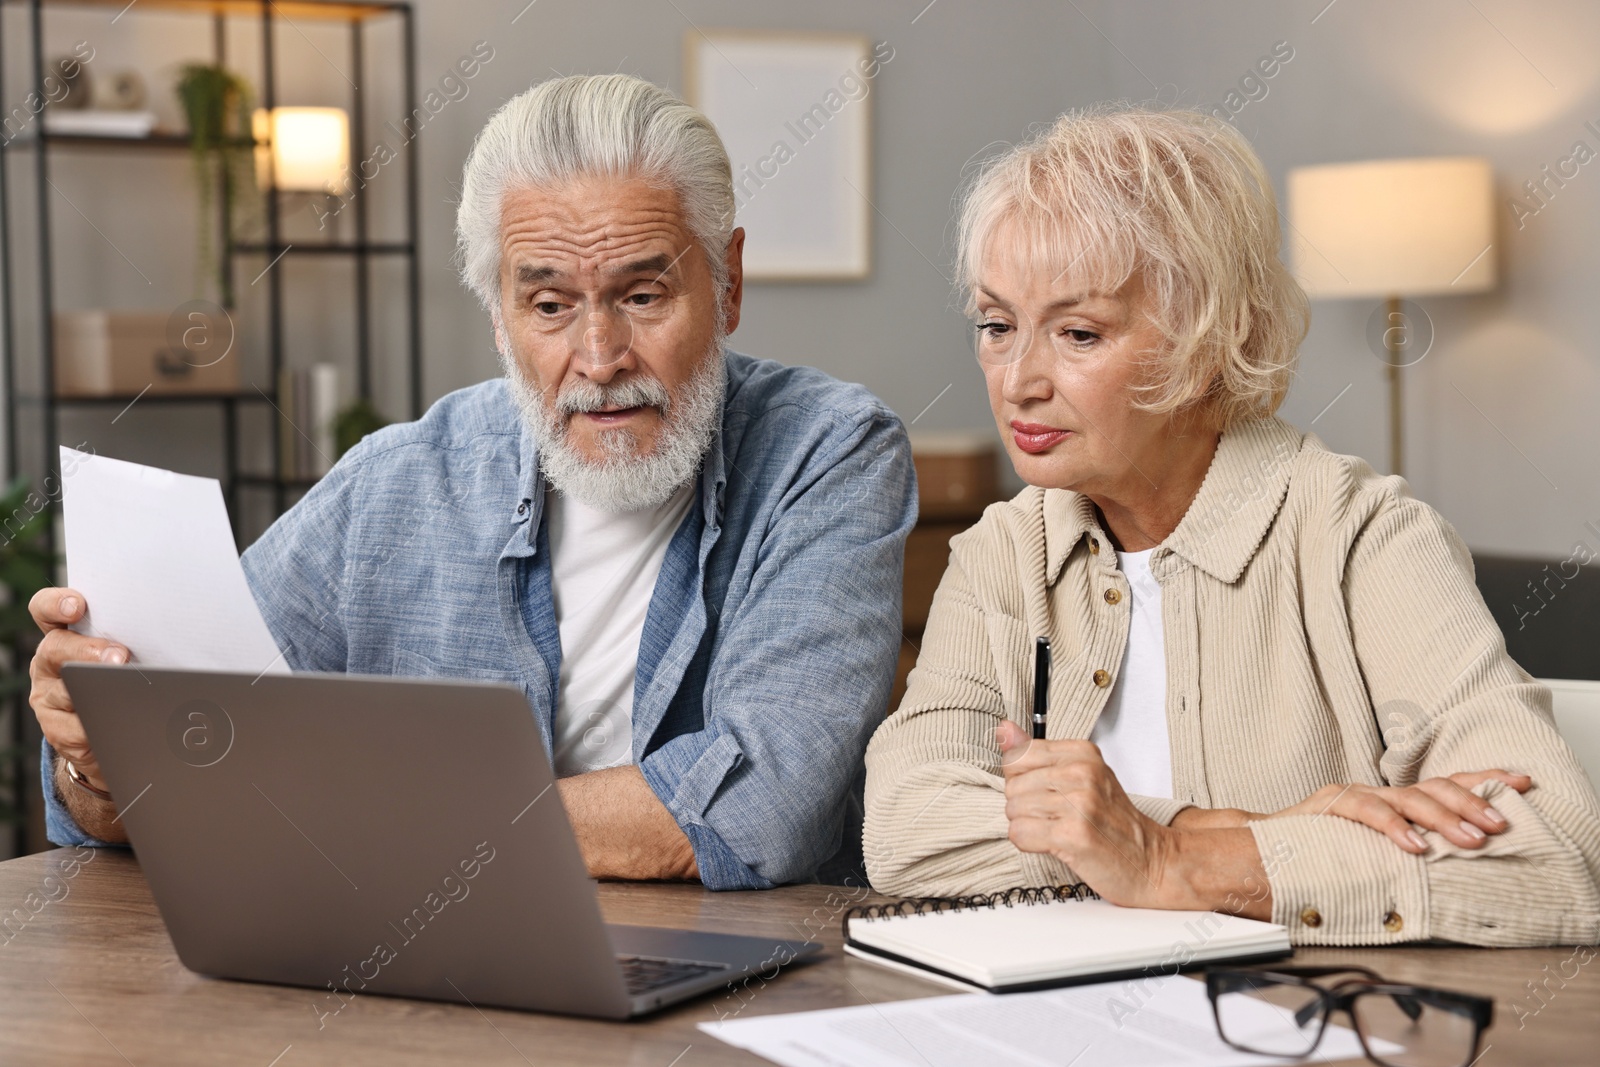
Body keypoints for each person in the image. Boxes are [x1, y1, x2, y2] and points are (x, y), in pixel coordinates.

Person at [32, 74, 916, 891]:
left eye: (643, 297)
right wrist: (98, 760)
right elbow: (182, 756)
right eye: (549, 305)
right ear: (499, 315)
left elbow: (768, 802)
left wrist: (373, 821)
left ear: (727, 287)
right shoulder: (398, 481)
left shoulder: (829, 453)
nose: (600, 359)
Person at [863, 105, 1600, 945]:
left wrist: (1170, 862)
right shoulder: (1001, 552)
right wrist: (1228, 828)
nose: (1018, 380)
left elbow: (1556, 853)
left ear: (1213, 339)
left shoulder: (1364, 536)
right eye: (997, 326)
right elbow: (903, 823)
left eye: (1078, 332)